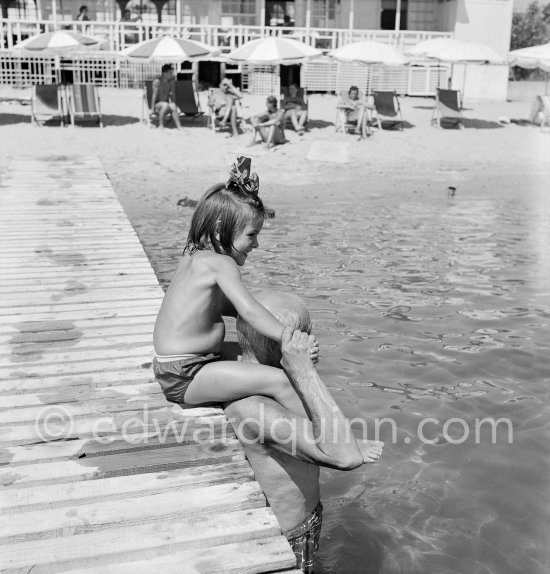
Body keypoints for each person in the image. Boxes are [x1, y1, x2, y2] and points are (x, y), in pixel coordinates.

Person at [224, 290, 384, 572]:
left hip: (304, 521)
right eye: (307, 334)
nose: (314, 341)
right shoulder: (255, 409)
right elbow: (346, 457)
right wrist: (304, 371)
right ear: (282, 346)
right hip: (285, 540)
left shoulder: (242, 369)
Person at [153, 156, 319, 419]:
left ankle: (286, 422)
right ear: (221, 229)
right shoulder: (221, 264)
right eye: (251, 235)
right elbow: (250, 310)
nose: (257, 244)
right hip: (186, 373)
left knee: (261, 357)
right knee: (282, 380)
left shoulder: (193, 256)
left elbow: (224, 307)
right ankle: (327, 439)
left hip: (178, 365)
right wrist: (291, 338)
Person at [151, 63, 182, 130]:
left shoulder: (171, 82)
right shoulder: (157, 81)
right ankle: (161, 125)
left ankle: (179, 126)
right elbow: (154, 95)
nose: (172, 75)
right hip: (158, 105)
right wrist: (152, 109)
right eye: (170, 73)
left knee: (173, 105)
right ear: (164, 73)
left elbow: (173, 96)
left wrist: (174, 108)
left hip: (166, 104)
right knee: (165, 105)